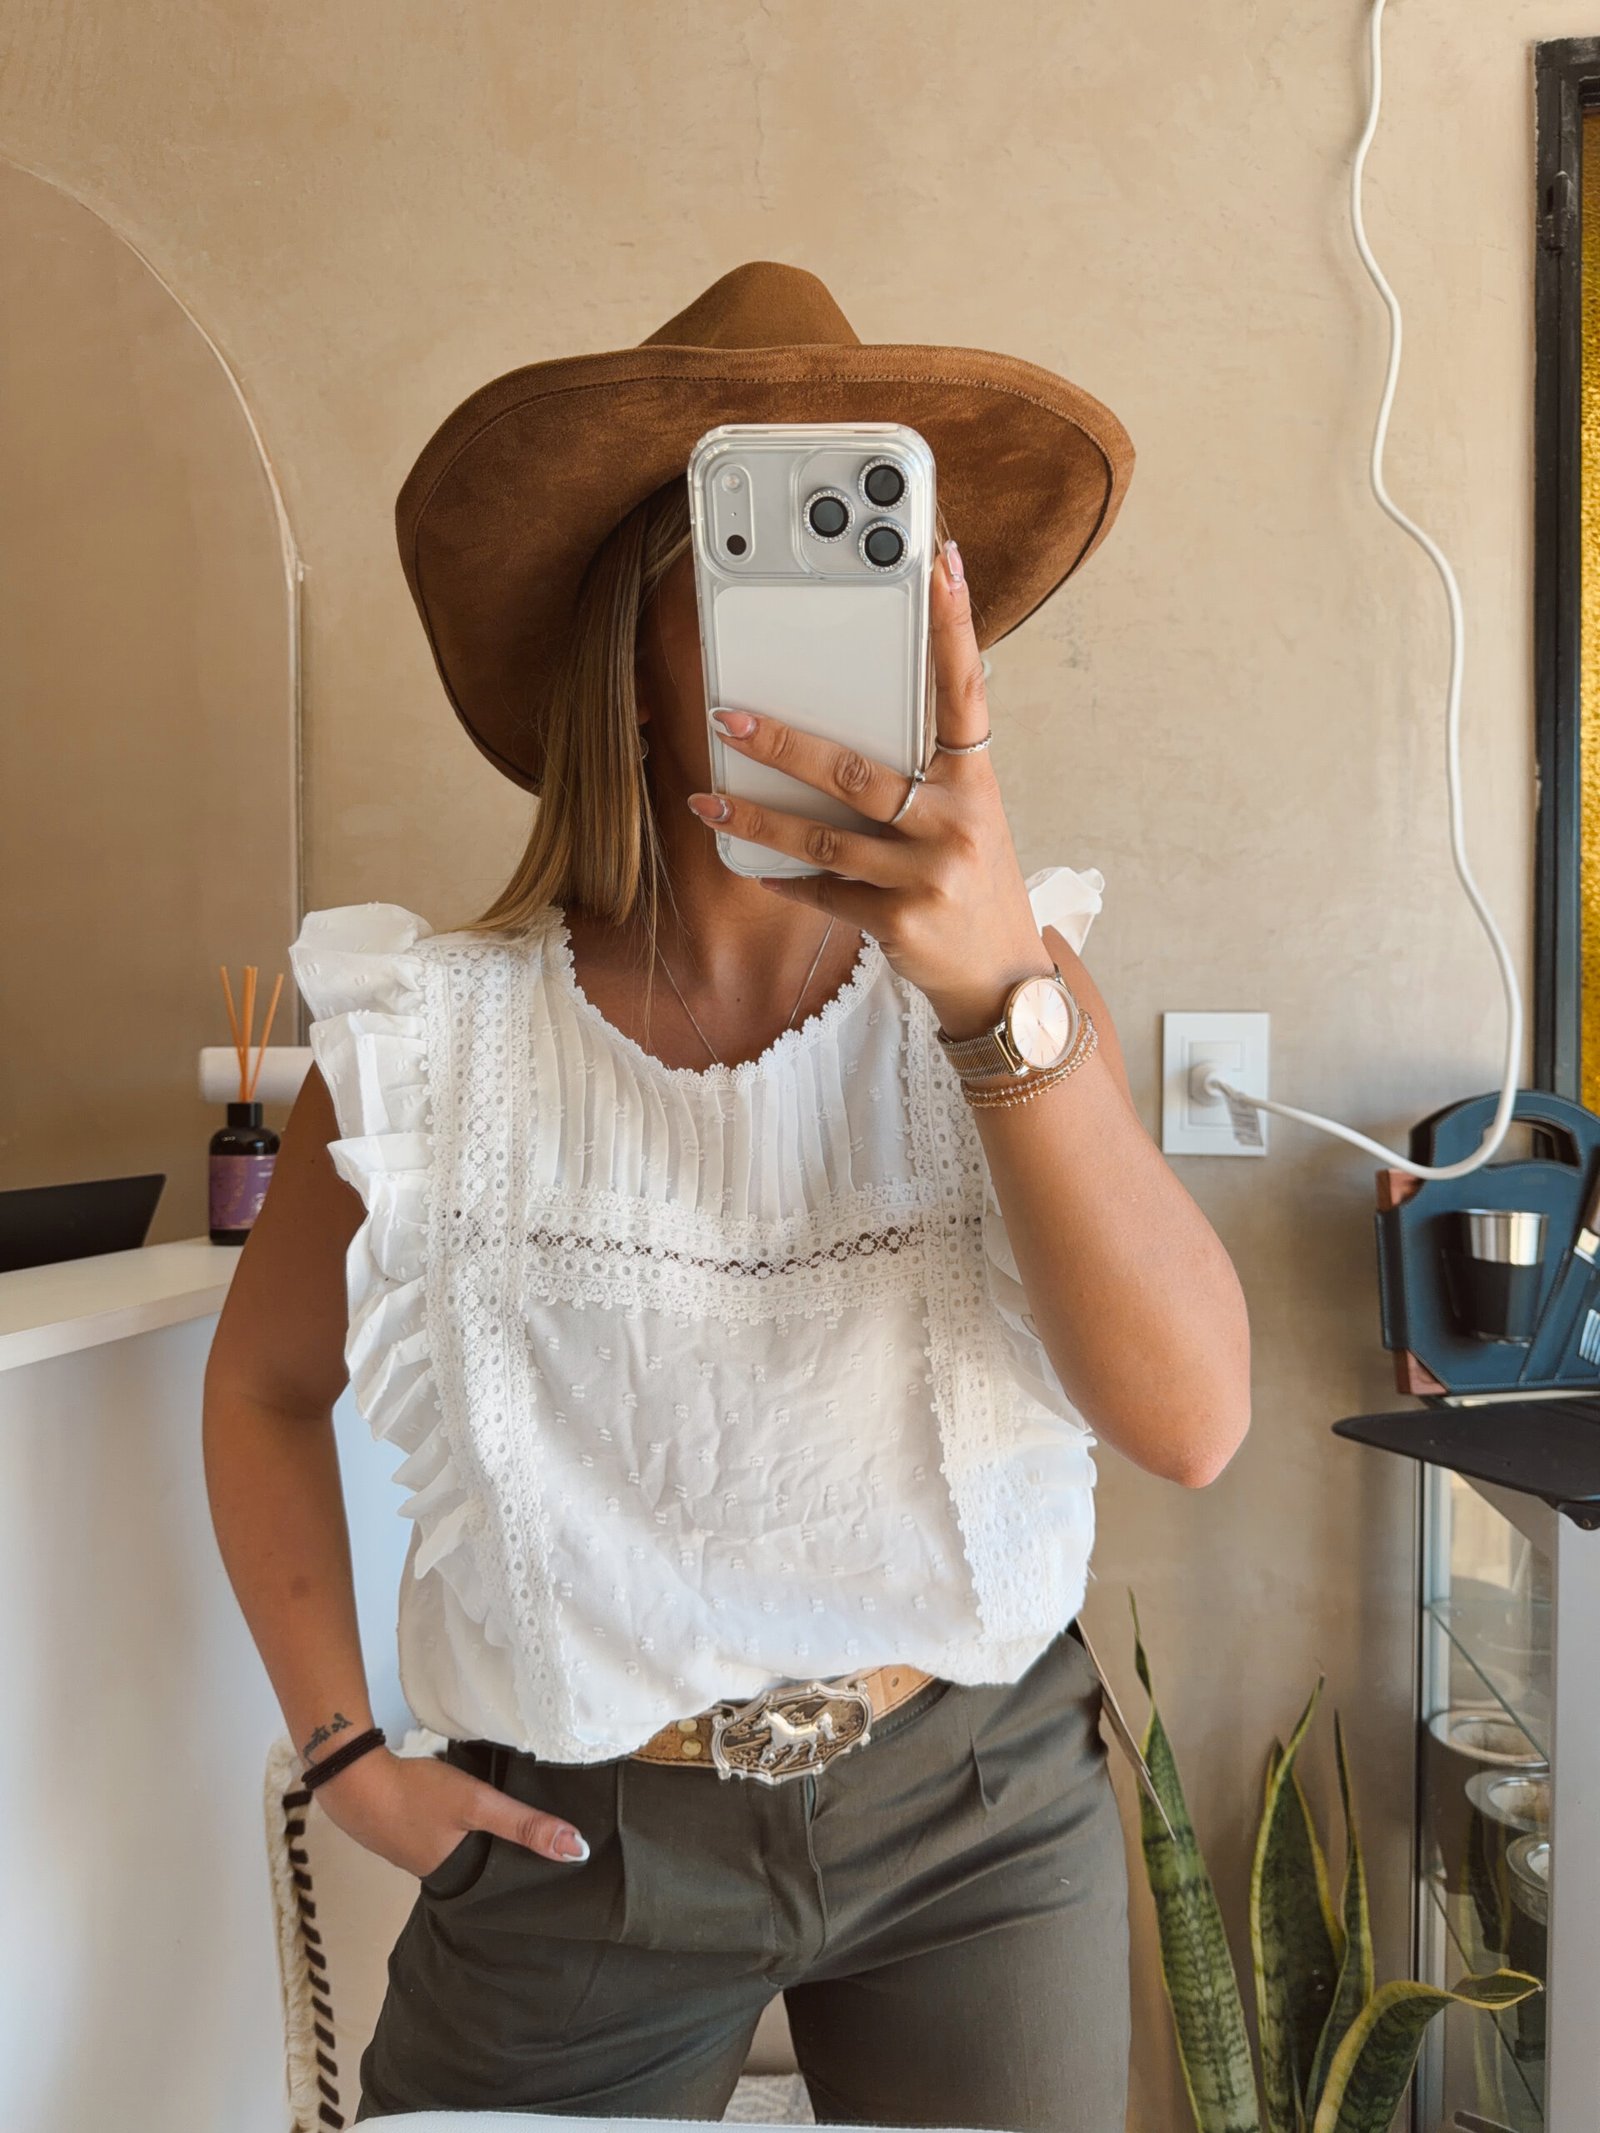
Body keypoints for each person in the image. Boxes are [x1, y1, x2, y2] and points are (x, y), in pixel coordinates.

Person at [203, 260, 1251, 2131]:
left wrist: (989, 987)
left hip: (980, 1809)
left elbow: (1193, 1421)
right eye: (769, 574)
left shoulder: (1021, 991)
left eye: (880, 579)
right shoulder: (430, 1045)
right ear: (632, 649)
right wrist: (345, 1751)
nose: (841, 645)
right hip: (578, 1840)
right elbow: (263, 1386)